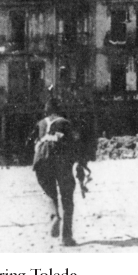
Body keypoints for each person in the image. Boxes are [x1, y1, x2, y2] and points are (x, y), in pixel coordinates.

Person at [33, 98, 87, 247]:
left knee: (50, 193)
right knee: (67, 198)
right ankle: (66, 237)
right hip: (61, 160)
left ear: (46, 110)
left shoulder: (41, 124)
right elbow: (75, 144)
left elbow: (34, 142)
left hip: (41, 160)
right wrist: (80, 164)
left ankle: (55, 215)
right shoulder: (66, 123)